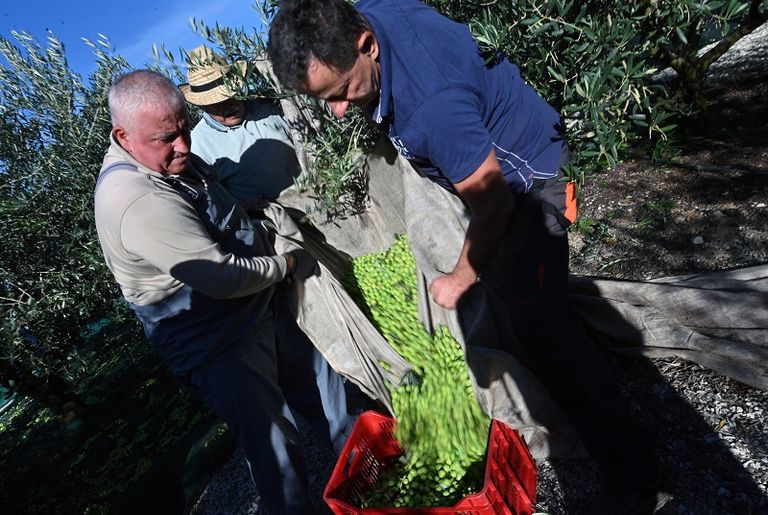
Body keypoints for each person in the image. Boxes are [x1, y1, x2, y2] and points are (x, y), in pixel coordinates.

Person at [267, 1, 666, 513]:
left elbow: (495, 202)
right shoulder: (363, 15)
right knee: (524, 306)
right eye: (323, 99)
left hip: (526, 184)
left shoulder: (431, 108)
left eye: (341, 92)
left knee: (547, 333)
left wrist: (458, 279)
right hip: (485, 165)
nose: (338, 110)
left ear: (367, 45)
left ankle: (636, 475)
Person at [94, 69, 353, 514]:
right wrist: (285, 264)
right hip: (216, 340)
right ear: (123, 135)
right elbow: (220, 276)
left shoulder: (169, 155)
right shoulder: (134, 198)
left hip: (259, 306)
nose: (183, 147)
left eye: (182, 130)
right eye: (166, 139)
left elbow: (208, 203)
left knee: (327, 390)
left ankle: (371, 478)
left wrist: (243, 211)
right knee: (274, 445)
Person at [180, 45, 302, 204]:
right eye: (218, 102)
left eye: (231, 95)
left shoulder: (268, 104)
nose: (229, 105)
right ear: (203, 106)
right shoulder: (198, 145)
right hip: (272, 222)